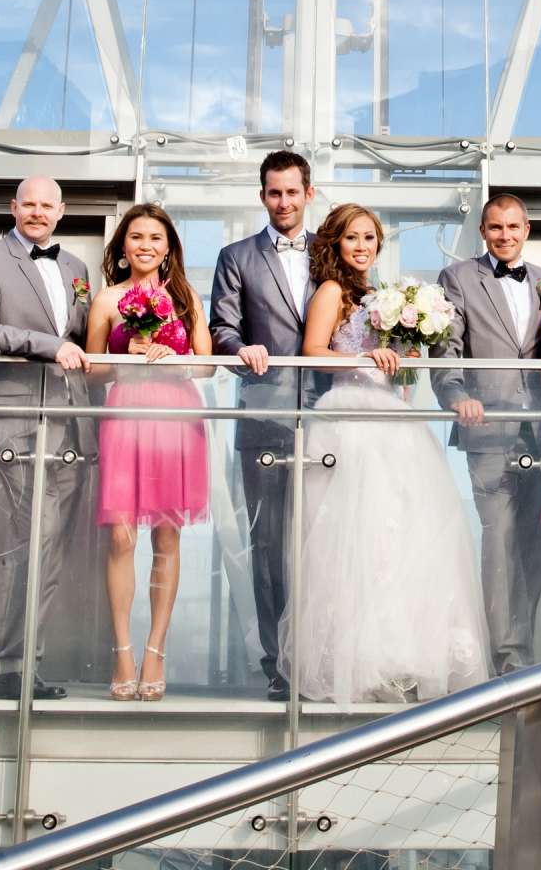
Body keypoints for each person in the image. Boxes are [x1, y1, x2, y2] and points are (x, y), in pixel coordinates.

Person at [292, 203, 490, 704]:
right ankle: (361, 666)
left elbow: (396, 371)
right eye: (352, 238)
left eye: (370, 238)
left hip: (392, 418)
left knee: (407, 539)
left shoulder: (381, 296)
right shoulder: (332, 292)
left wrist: (404, 361)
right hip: (350, 418)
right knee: (358, 541)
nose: (362, 247)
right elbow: (312, 351)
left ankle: (404, 657)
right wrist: (364, 356)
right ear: (335, 243)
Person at [0, 175, 93, 701]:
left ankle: (21, 664)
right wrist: (48, 344)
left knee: (49, 547)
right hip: (17, 418)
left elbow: (82, 340)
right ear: (13, 207)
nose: (37, 212)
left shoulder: (77, 268)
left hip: (68, 421)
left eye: (46, 205)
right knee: (29, 541)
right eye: (28, 204)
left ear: (62, 211)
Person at [85, 203, 213, 702]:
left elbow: (207, 367)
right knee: (120, 537)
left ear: (169, 248)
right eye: (136, 237)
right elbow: (92, 368)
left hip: (176, 418)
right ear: (122, 246)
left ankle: (156, 651)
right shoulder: (107, 300)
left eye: (156, 238)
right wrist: (122, 356)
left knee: (167, 537)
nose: (146, 246)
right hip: (125, 416)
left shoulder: (185, 298)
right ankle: (122, 649)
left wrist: (176, 358)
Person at [434, 194, 541, 677]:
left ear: (526, 228)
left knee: (537, 540)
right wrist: (455, 397)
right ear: (483, 232)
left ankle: (526, 640)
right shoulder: (459, 278)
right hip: (486, 426)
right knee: (500, 537)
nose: (504, 235)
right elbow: (447, 348)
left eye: (512, 226)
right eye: (494, 227)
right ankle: (507, 654)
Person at [207, 149, 318, 701]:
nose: (283, 202)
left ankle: (326, 655)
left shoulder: (334, 252)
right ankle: (279, 663)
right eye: (274, 193)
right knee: (270, 542)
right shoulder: (236, 256)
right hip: (263, 415)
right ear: (262, 196)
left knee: (327, 539)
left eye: (292, 192)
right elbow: (221, 327)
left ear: (309, 194)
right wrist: (240, 347)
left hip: (331, 415)